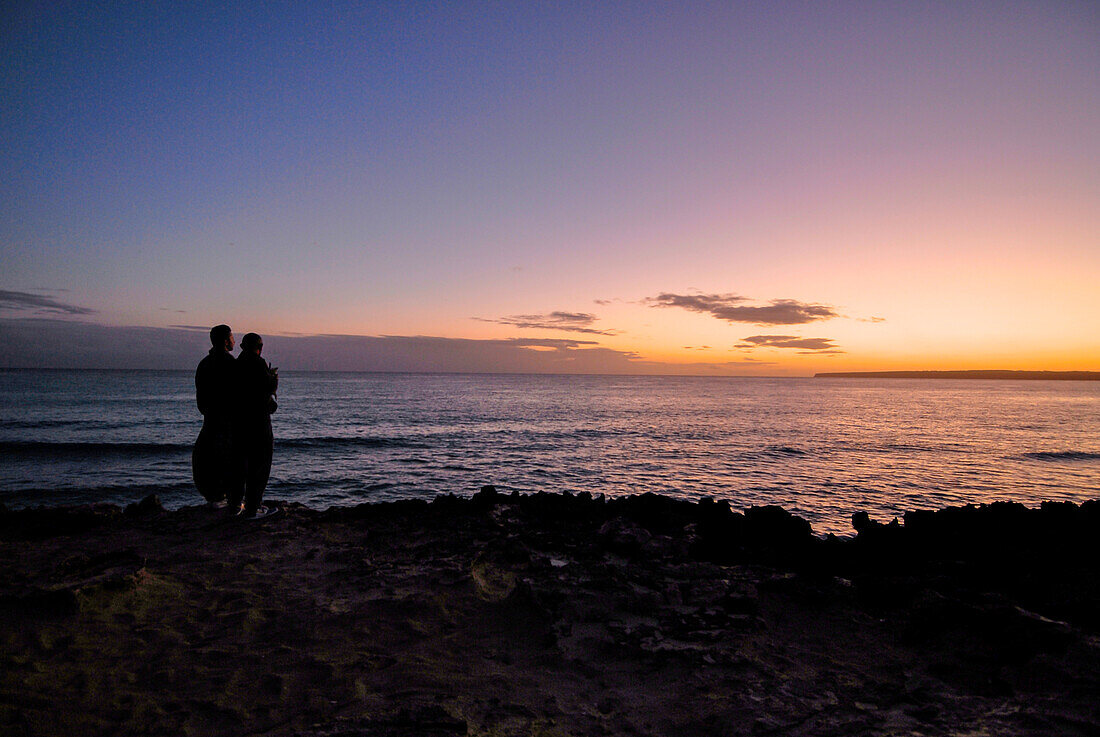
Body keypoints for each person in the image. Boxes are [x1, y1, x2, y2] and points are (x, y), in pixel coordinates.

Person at [231, 332, 279, 518]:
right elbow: (268, 388)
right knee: (260, 463)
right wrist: (273, 379)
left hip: (239, 421)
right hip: (258, 421)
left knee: (243, 464)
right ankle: (253, 508)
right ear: (260, 347)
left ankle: (237, 504)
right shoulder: (258, 363)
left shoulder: (236, 363)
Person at [192, 324, 238, 506]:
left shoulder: (204, 364)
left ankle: (216, 496)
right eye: (233, 337)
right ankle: (224, 497)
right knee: (228, 459)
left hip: (210, 418)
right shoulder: (230, 364)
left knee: (207, 458)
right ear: (226, 341)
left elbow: (201, 398)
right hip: (225, 420)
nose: (235, 341)